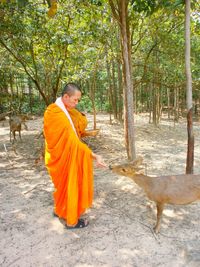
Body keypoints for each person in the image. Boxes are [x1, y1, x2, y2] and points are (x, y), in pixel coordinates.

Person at [43, 83, 106, 229]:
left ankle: (60, 210)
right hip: (60, 156)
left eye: (78, 100)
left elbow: (76, 126)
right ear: (65, 96)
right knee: (70, 184)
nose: (76, 103)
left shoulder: (59, 110)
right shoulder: (56, 114)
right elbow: (72, 143)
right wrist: (94, 155)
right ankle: (71, 221)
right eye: (75, 100)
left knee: (62, 186)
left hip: (58, 156)